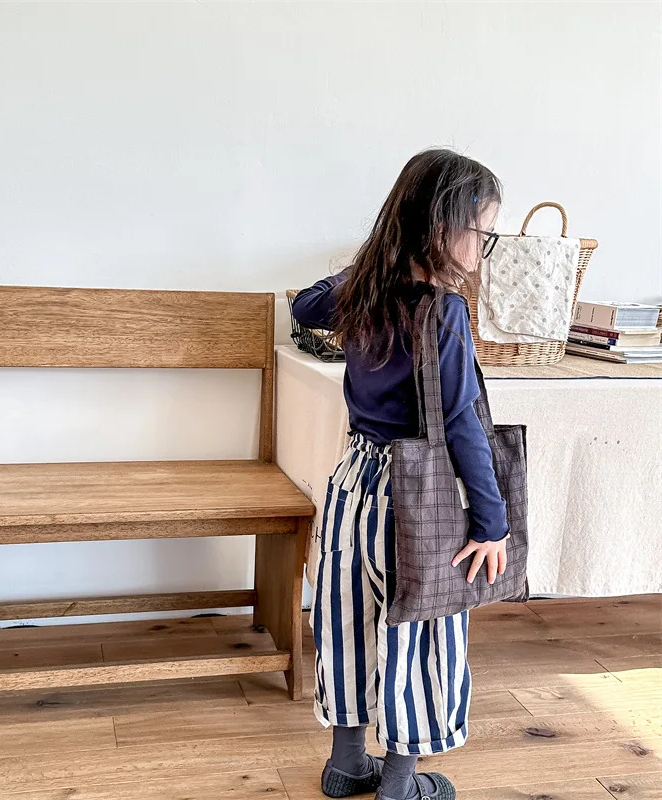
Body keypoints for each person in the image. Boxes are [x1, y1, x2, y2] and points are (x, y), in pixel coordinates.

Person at [291, 149, 509, 800]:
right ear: (443, 228)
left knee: (348, 620)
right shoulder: (444, 312)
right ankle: (398, 784)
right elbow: (463, 425)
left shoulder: (364, 293)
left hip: (353, 484)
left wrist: (374, 263)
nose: (483, 251)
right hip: (417, 496)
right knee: (417, 627)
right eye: (484, 233)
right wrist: (491, 522)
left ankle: (344, 765)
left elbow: (307, 305)